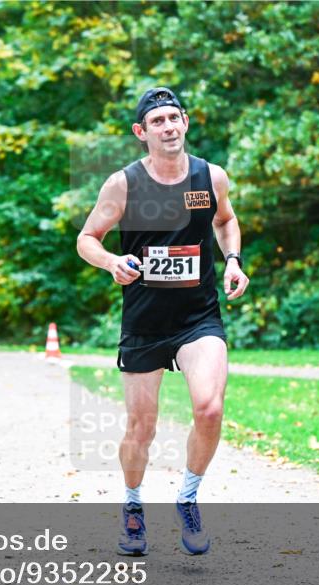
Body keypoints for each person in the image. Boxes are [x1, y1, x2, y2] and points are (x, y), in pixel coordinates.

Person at [76, 87, 249, 556]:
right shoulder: (124, 183)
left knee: (209, 408)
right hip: (145, 321)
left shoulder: (210, 177)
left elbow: (226, 220)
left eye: (175, 118)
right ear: (141, 132)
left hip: (198, 317)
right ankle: (133, 508)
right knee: (142, 428)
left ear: (186, 123)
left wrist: (232, 259)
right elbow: (87, 238)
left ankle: (188, 497)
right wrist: (111, 261)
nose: (168, 126)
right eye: (158, 121)